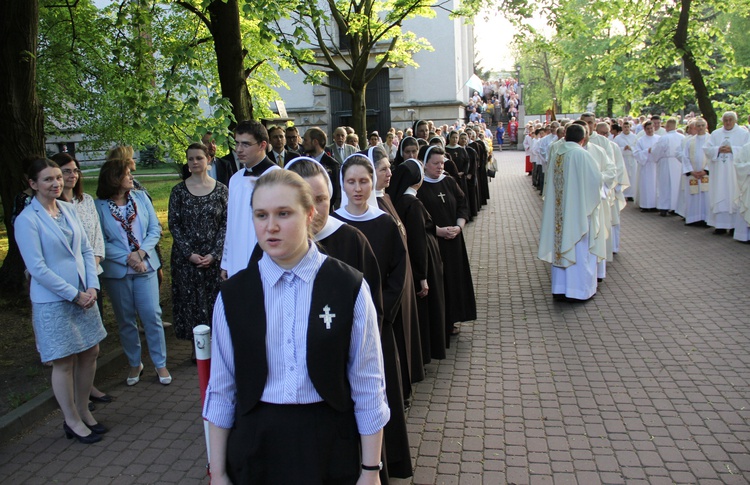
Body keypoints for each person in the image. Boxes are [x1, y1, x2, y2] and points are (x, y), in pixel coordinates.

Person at [203, 170, 389, 485]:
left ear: (309, 214)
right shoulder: (234, 295)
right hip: (255, 447)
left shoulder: (348, 286)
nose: (270, 226)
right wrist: (217, 472)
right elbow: (221, 389)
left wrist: (370, 470)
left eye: (283, 213)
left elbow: (368, 383)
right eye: (261, 215)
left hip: (328, 444)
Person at [15, 158, 107, 443]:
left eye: (58, 177)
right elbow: (38, 268)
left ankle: (83, 410)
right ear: (33, 184)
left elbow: (85, 250)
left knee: (91, 353)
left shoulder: (68, 209)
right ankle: (71, 420)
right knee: (64, 361)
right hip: (54, 301)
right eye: (47, 179)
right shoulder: (27, 220)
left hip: (85, 295)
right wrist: (74, 294)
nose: (56, 183)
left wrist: (91, 286)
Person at [333, 154, 413, 479]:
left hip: (379, 326)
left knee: (378, 394)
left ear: (373, 183)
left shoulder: (386, 224)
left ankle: (382, 461)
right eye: (351, 182)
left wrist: (379, 315)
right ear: (342, 184)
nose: (357, 188)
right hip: (337, 327)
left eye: (363, 181)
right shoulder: (333, 225)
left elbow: (397, 273)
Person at [95, 149, 171, 386]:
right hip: (118, 272)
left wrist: (140, 254)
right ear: (114, 178)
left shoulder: (140, 198)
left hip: (146, 266)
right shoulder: (98, 206)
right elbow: (99, 241)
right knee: (126, 320)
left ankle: (160, 364)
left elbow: (154, 230)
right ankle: (134, 363)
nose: (131, 177)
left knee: (152, 316)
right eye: (126, 173)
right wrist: (127, 258)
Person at [53, 152, 111, 405]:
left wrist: (92, 270)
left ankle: (88, 387)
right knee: (71, 344)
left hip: (91, 280)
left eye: (75, 171)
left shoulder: (85, 200)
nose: (71, 176)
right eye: (66, 171)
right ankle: (76, 395)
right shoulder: (50, 207)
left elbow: (96, 237)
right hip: (66, 284)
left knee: (90, 342)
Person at [371, 147, 424, 394]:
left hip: (404, 282)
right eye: (383, 169)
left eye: (389, 168)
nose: (389, 173)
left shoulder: (386, 197)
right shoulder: (374, 206)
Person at [168, 143, 228, 355]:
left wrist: (214, 253)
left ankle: (219, 347)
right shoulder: (178, 192)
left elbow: (226, 224)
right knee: (191, 303)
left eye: (199, 158)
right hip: (187, 260)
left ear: (208, 160)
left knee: (214, 303)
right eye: (190, 158)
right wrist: (189, 254)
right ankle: (198, 349)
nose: (194, 162)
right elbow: (174, 224)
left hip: (214, 258)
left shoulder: (221, 190)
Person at [387, 158, 447, 361]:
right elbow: (418, 240)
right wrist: (423, 276)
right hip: (423, 263)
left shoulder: (401, 200)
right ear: (416, 178)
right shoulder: (412, 203)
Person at [538, 124, 605, 301]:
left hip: (559, 212)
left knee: (561, 246)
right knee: (580, 249)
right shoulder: (582, 154)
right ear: (583, 139)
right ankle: (578, 291)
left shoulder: (558, 154)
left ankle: (560, 289)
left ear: (565, 137)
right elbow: (595, 180)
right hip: (578, 212)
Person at [417, 145, 476, 336]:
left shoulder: (449, 182)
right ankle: (437, 324)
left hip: (453, 241)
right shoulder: (419, 186)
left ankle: (451, 320)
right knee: (438, 282)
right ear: (425, 164)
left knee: (453, 280)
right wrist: (438, 231)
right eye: (435, 163)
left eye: (442, 163)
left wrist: (459, 227)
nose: (440, 166)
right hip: (433, 243)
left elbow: (462, 204)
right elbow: (417, 219)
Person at [221, 121, 281, 279]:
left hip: (266, 259)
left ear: (262, 145)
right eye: (237, 143)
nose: (239, 149)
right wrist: (226, 262)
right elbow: (231, 223)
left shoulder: (276, 177)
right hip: (236, 258)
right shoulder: (235, 179)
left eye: (246, 144)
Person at [702, 111, 750, 235]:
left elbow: (746, 150)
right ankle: (720, 225)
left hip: (734, 173)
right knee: (719, 194)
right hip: (719, 172)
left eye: (730, 120)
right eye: (726, 120)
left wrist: (732, 149)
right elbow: (707, 149)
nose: (728, 122)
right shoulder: (716, 133)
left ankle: (734, 226)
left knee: (734, 195)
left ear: (735, 120)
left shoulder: (743, 134)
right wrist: (718, 149)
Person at [677, 118, 709, 226]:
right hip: (693, 174)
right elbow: (685, 157)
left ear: (706, 126)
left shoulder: (711, 140)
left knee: (706, 196)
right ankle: (693, 218)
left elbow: (713, 156)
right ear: (695, 127)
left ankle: (706, 219)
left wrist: (706, 170)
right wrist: (691, 171)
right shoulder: (690, 141)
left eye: (702, 125)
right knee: (693, 195)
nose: (700, 128)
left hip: (706, 175)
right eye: (698, 126)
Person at [650, 119, 685, 216]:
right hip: (678, 162)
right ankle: (675, 207)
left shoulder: (664, 138)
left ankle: (664, 207)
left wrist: (655, 158)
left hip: (666, 162)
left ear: (668, 127)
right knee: (676, 185)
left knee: (664, 185)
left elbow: (657, 150)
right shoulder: (682, 137)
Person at [302, 127, 341, 211]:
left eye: (305, 140)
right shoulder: (303, 162)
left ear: (315, 142)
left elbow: (335, 193)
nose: (303, 143)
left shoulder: (332, 164)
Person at [633, 121, 660, 212]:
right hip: (646, 166)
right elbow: (636, 153)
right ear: (644, 129)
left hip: (656, 166)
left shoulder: (659, 139)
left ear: (654, 128)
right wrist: (647, 151)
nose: (650, 130)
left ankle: (656, 205)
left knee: (656, 186)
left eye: (651, 128)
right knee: (646, 186)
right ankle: (645, 205)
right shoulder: (640, 140)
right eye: (648, 129)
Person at [613, 121, 638, 200]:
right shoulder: (618, 138)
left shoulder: (634, 137)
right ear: (622, 128)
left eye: (628, 127)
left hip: (632, 159)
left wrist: (631, 148)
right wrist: (623, 148)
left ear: (630, 127)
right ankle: (624, 193)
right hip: (623, 159)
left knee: (633, 177)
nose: (626, 129)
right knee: (624, 176)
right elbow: (615, 149)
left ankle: (632, 194)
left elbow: (637, 147)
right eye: (625, 127)